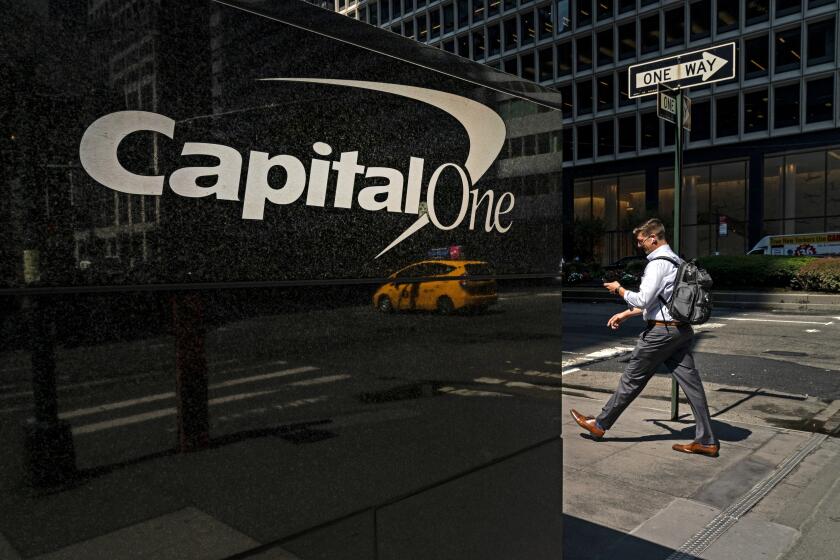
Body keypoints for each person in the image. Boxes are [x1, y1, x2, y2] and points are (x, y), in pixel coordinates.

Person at [570, 218, 719, 457]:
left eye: (641, 241)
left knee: (632, 379)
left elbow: (643, 299)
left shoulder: (657, 264)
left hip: (660, 333)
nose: (640, 246)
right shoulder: (676, 260)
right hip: (680, 331)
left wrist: (619, 289)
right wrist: (626, 314)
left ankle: (599, 425)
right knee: (693, 387)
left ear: (653, 237)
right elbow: (662, 302)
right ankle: (707, 440)